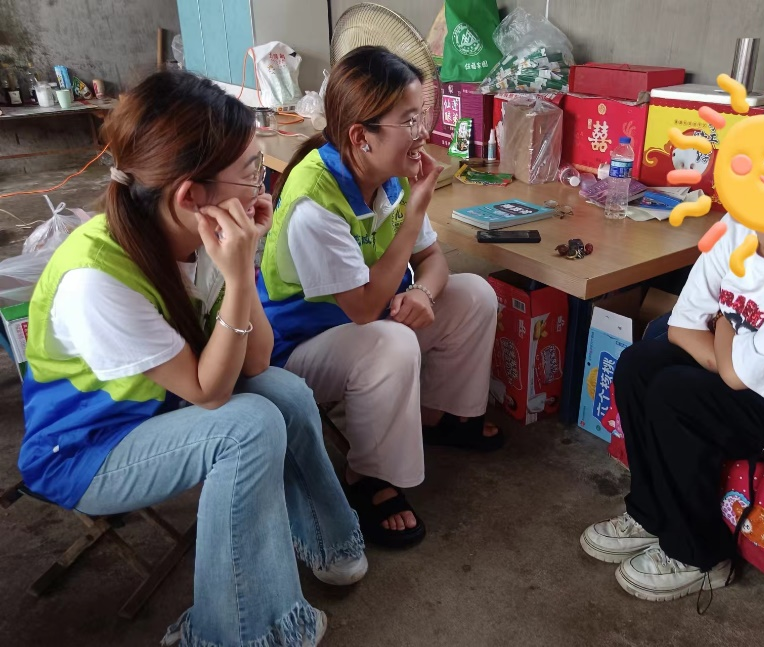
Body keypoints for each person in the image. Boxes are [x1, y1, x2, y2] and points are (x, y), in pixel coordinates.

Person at [17, 70, 366, 647]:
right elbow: (210, 392)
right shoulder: (96, 279)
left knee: (284, 392)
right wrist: (238, 276)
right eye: (252, 172)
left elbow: (256, 363)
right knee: (247, 427)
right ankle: (237, 634)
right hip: (87, 452)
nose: (262, 186)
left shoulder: (196, 234)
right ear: (189, 195)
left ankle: (331, 544)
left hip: (159, 408)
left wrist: (242, 265)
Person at [580, 99, 764, 604]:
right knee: (640, 364)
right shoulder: (738, 225)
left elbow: (734, 372)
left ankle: (698, 556)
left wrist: (727, 325)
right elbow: (683, 328)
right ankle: (650, 513)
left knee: (678, 394)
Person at [258, 46, 501, 549]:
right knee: (391, 343)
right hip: (296, 349)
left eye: (422, 116)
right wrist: (416, 211)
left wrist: (423, 293)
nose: (423, 133)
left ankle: (439, 414)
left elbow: (434, 262)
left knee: (474, 293)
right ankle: (369, 475)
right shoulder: (314, 202)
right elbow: (366, 309)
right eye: (408, 121)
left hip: (364, 323)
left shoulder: (387, 175)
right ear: (360, 136)